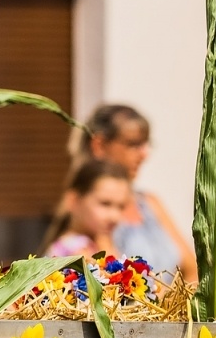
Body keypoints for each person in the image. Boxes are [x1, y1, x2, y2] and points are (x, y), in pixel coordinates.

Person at [74, 103, 197, 283]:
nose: (144, 154)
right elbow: (113, 280)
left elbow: (192, 268)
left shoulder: (149, 203)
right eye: (133, 144)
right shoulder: (90, 207)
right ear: (99, 145)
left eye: (145, 144)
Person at [45, 159, 132, 260]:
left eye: (121, 206)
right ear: (73, 200)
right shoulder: (76, 251)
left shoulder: (100, 243)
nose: (115, 216)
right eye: (105, 204)